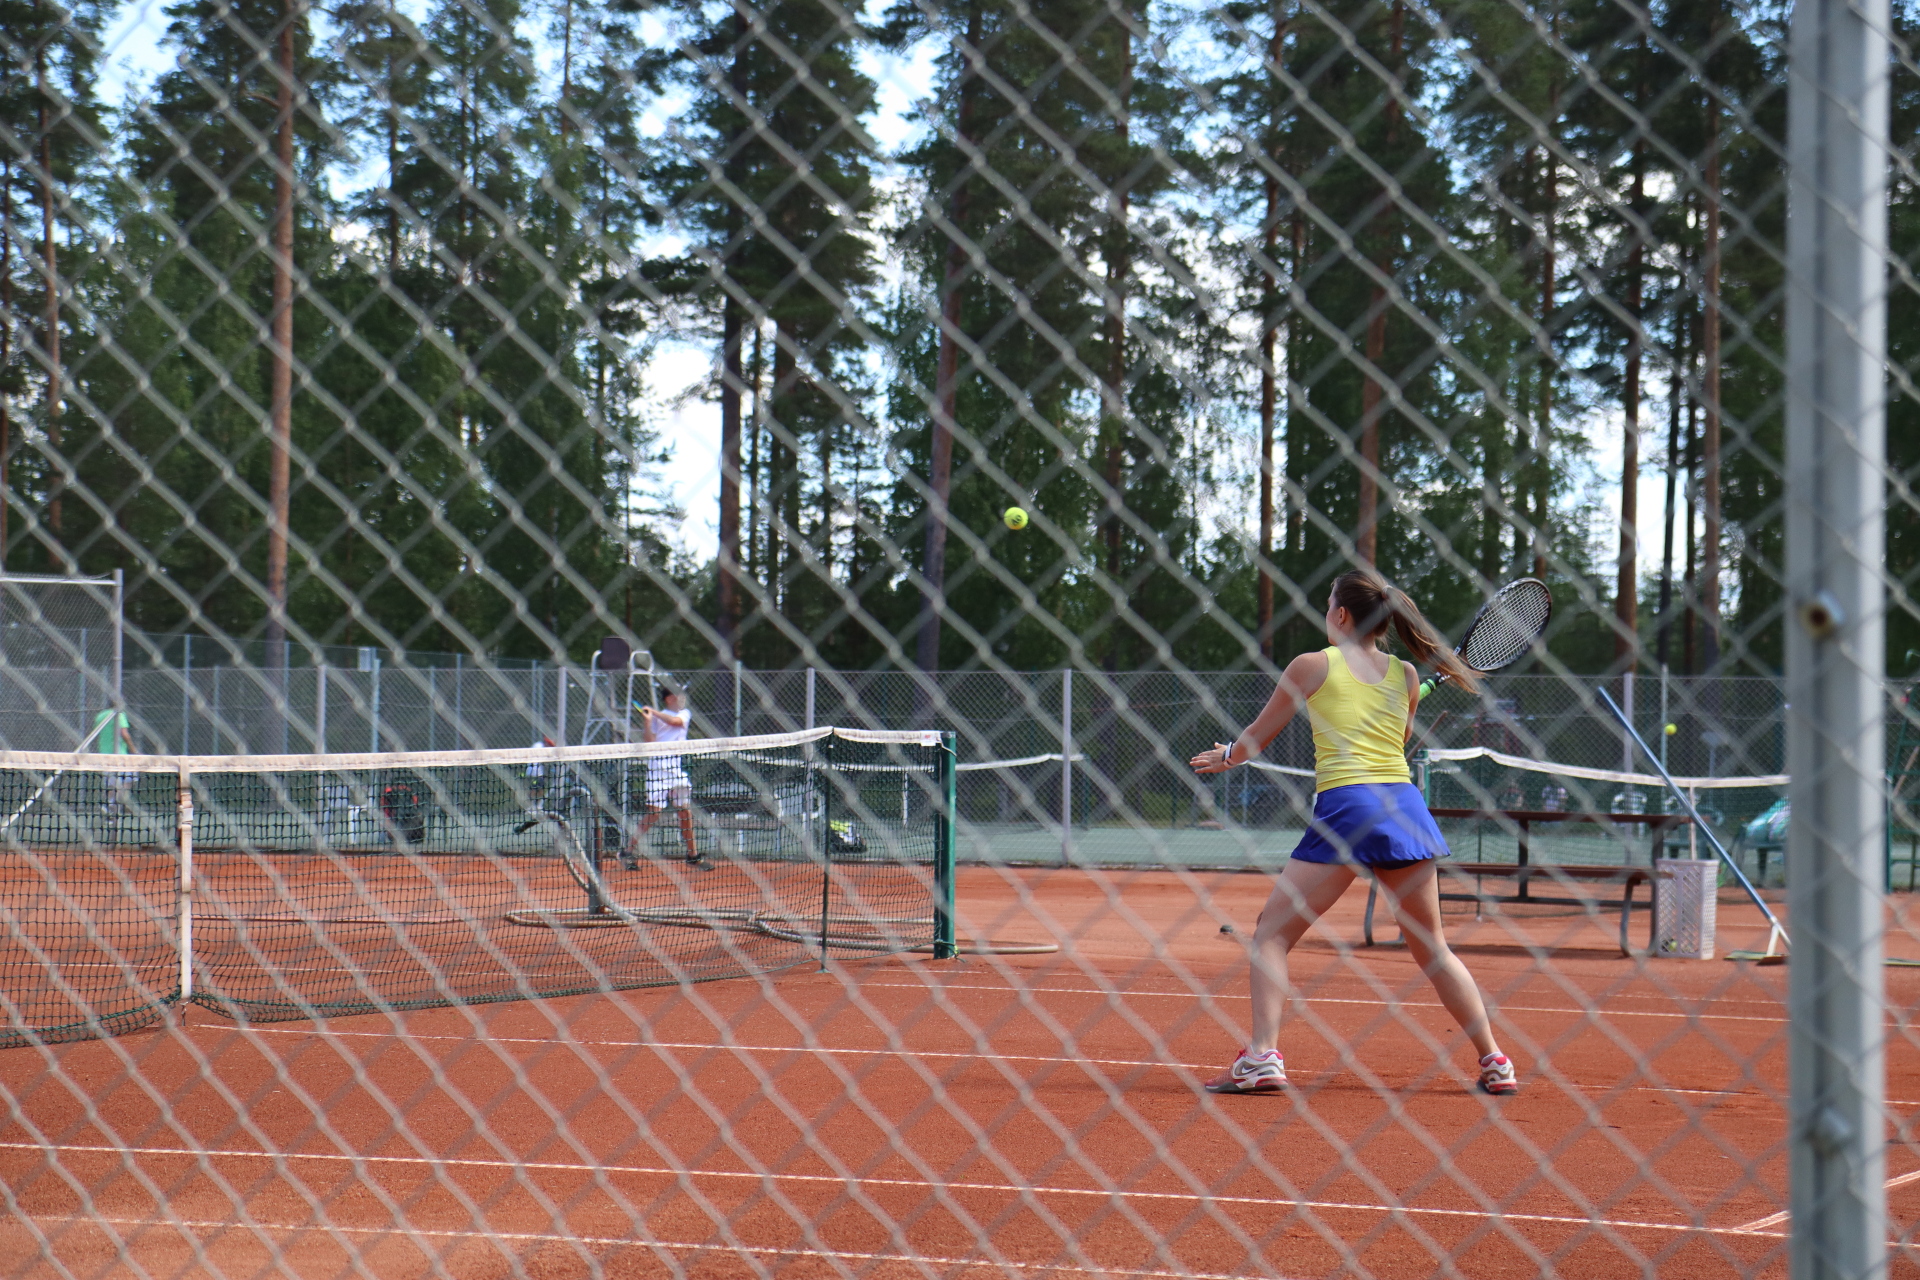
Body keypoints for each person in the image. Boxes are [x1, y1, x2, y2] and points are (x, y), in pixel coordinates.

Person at [1190, 569, 1519, 1097]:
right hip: (1404, 807)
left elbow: (1257, 738)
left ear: (1341, 615)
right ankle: (1495, 1060)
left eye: (1326, 604)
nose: (1325, 613)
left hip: (1349, 805)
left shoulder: (1312, 665)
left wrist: (1225, 756)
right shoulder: (1407, 675)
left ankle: (1262, 1057)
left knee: (1271, 933)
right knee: (1433, 947)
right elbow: (1397, 746)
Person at [632, 686, 700, 867]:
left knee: (685, 811)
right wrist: (648, 720)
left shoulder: (684, 714)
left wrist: (653, 712)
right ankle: (627, 851)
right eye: (679, 694)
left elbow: (675, 722)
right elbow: (649, 741)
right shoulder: (656, 717)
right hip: (657, 770)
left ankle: (692, 855)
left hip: (676, 771)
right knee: (654, 813)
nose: (683, 697)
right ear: (670, 698)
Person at [89, 706, 138, 819]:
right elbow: (124, 734)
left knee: (112, 783)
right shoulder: (119, 715)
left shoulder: (100, 716)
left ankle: (110, 805)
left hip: (104, 754)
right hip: (120, 756)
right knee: (129, 779)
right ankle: (113, 805)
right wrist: (133, 750)